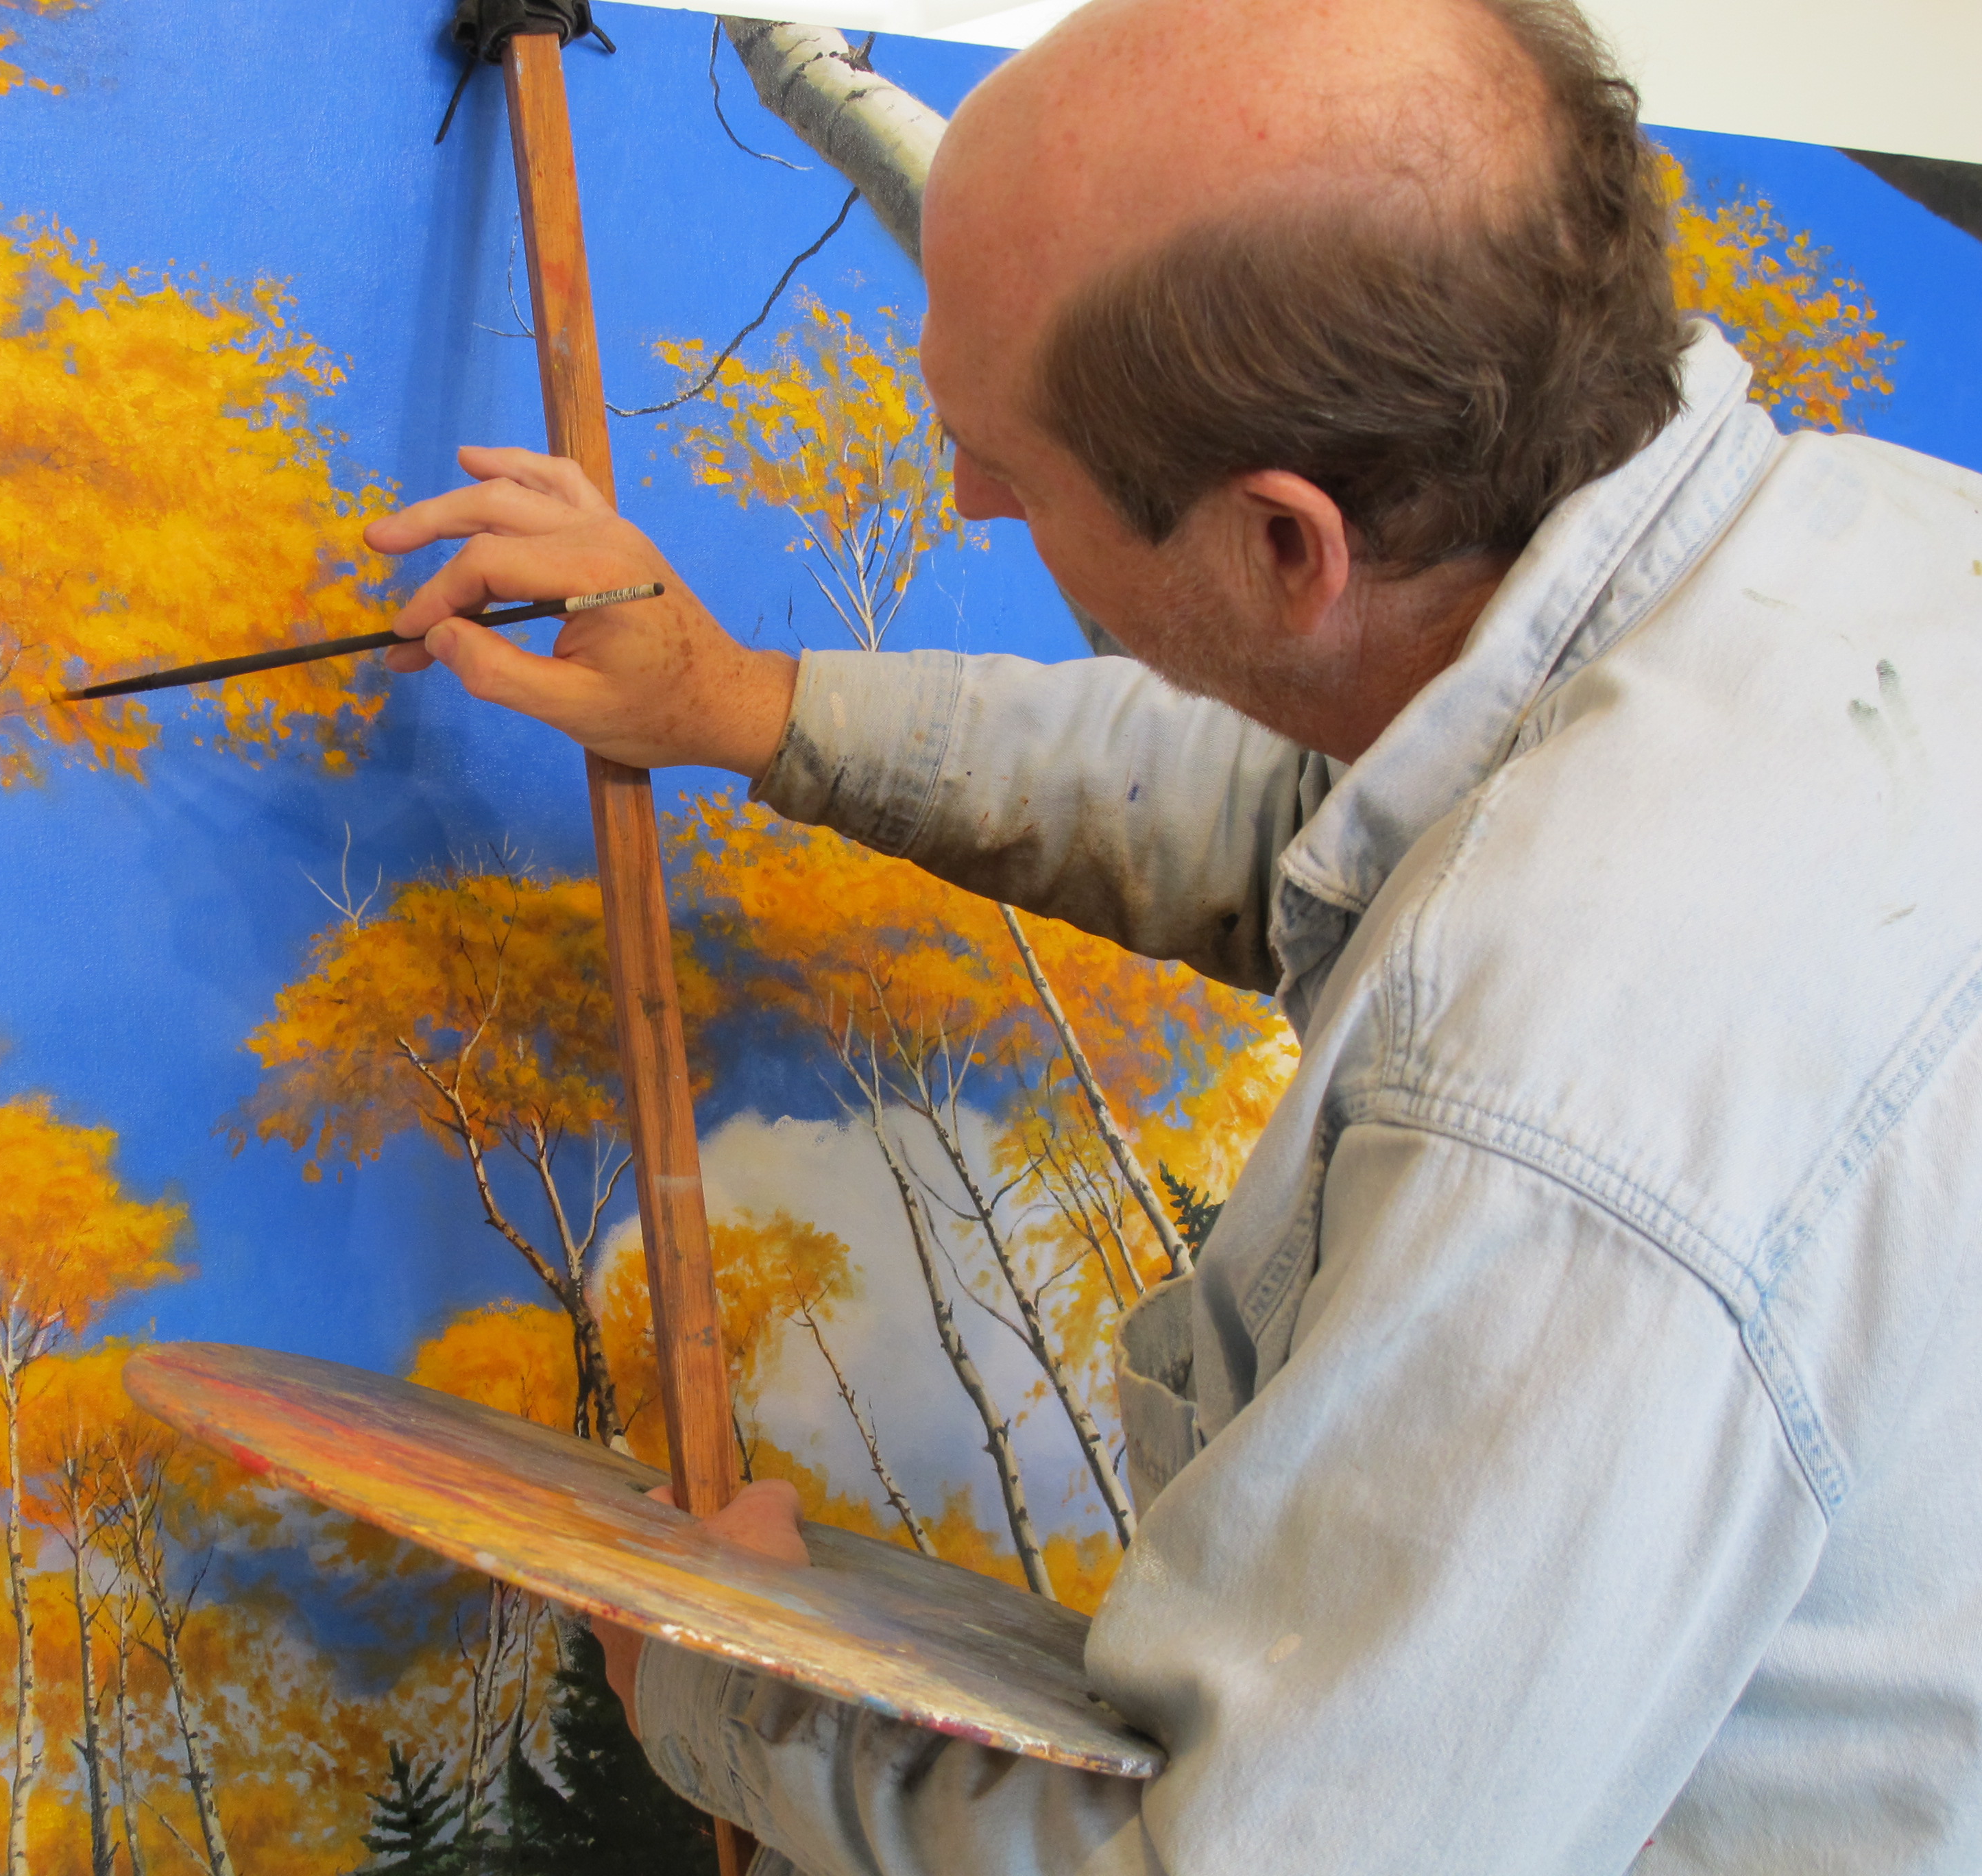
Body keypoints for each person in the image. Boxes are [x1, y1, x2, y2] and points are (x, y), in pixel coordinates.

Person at [365, 0, 1982, 1868]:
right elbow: (1312, 808)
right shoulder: (1851, 550)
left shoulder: (1564, 1122)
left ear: (1288, 546)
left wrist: (729, 1693)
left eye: (1006, 464)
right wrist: (742, 704)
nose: (965, 490)